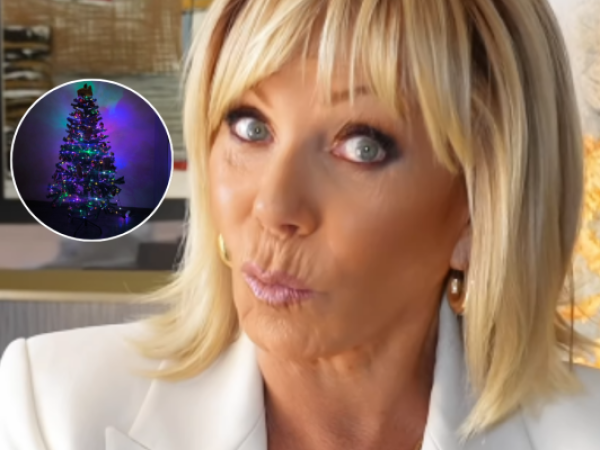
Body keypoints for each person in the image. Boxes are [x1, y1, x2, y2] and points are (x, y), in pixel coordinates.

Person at [1, 0, 600, 449]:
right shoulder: (51, 410)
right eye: (250, 126)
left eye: (362, 147)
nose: (274, 206)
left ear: (480, 208)